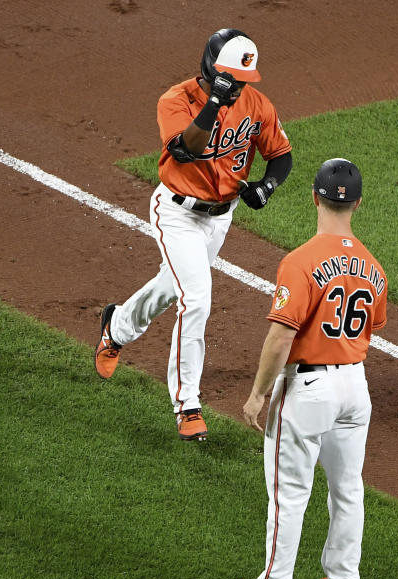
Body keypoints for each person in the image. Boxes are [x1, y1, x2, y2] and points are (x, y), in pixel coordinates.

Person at [94, 28, 293, 441]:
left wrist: (266, 187)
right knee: (197, 298)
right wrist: (215, 102)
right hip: (176, 213)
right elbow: (188, 148)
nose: (239, 87)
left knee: (173, 288)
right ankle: (187, 406)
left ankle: (116, 328)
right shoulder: (176, 100)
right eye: (231, 79)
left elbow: (281, 156)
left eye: (243, 80)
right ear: (210, 68)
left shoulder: (257, 105)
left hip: (219, 219)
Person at [228, 158, 387, 579]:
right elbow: (370, 327)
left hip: (309, 388)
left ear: (313, 196)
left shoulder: (299, 262)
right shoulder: (374, 268)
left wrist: (258, 394)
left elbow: (281, 337)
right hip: (355, 388)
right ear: (358, 203)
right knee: (348, 489)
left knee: (290, 495)